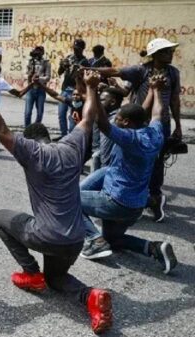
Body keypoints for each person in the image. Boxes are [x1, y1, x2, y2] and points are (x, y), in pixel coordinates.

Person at [0, 70, 112, 334]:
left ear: (29, 140)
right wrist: (91, 88)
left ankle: (31, 272)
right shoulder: (72, 146)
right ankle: (91, 296)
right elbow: (89, 118)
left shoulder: (31, 152)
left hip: (46, 236)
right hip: (76, 239)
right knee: (56, 280)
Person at [79, 75, 178, 274]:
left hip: (115, 201)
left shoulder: (129, 138)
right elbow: (157, 113)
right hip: (135, 206)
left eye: (118, 119)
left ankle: (94, 240)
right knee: (114, 240)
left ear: (125, 123)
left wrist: (92, 90)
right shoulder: (155, 133)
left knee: (66, 199)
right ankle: (154, 248)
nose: (115, 120)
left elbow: (102, 122)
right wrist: (156, 90)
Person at [86, 38, 181, 222]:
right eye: (165, 51)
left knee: (156, 162)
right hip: (135, 122)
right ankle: (126, 197)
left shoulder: (173, 73)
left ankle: (153, 197)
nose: (170, 54)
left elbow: (174, 100)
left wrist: (177, 125)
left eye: (171, 51)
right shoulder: (141, 70)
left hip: (159, 123)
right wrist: (90, 70)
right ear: (155, 55)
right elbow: (114, 71)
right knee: (122, 159)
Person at [57, 39, 90, 136]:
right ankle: (63, 135)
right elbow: (59, 72)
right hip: (65, 89)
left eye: (78, 49)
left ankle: (72, 136)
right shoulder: (69, 58)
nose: (75, 51)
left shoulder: (85, 62)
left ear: (83, 49)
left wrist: (78, 70)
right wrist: (63, 66)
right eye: (74, 48)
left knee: (73, 116)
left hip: (75, 92)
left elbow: (84, 79)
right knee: (61, 114)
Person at [91, 87, 124, 171]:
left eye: (101, 100)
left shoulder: (114, 121)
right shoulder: (105, 116)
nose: (98, 103)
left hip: (106, 167)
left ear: (112, 102)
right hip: (100, 156)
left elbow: (106, 153)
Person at [24, 46, 51, 127]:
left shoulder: (46, 63)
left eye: (40, 51)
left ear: (42, 52)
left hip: (41, 89)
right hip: (30, 89)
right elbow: (25, 74)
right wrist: (29, 76)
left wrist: (38, 79)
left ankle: (36, 128)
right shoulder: (30, 62)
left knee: (39, 112)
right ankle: (27, 129)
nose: (38, 53)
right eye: (37, 51)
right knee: (28, 112)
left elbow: (48, 77)